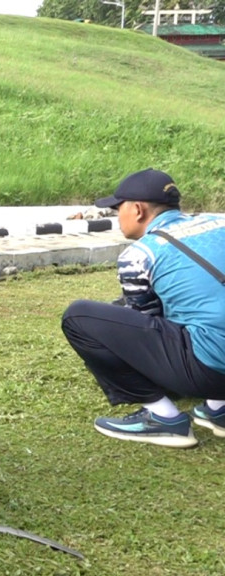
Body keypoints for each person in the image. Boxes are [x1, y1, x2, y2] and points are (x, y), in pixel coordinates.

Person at [61, 168, 225, 448]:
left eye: (117, 208)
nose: (116, 216)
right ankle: (219, 409)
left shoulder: (139, 254)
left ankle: (164, 418)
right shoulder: (219, 223)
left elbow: (147, 326)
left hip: (211, 369)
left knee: (79, 317)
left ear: (137, 210)